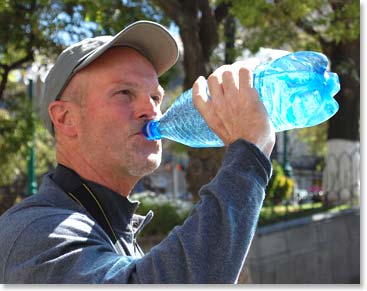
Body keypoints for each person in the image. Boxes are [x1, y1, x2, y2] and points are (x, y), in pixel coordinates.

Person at [0, 20, 275, 283]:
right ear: (65, 119)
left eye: (155, 97)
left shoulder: (107, 225)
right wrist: (248, 157)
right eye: (124, 93)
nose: (152, 110)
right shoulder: (34, 231)